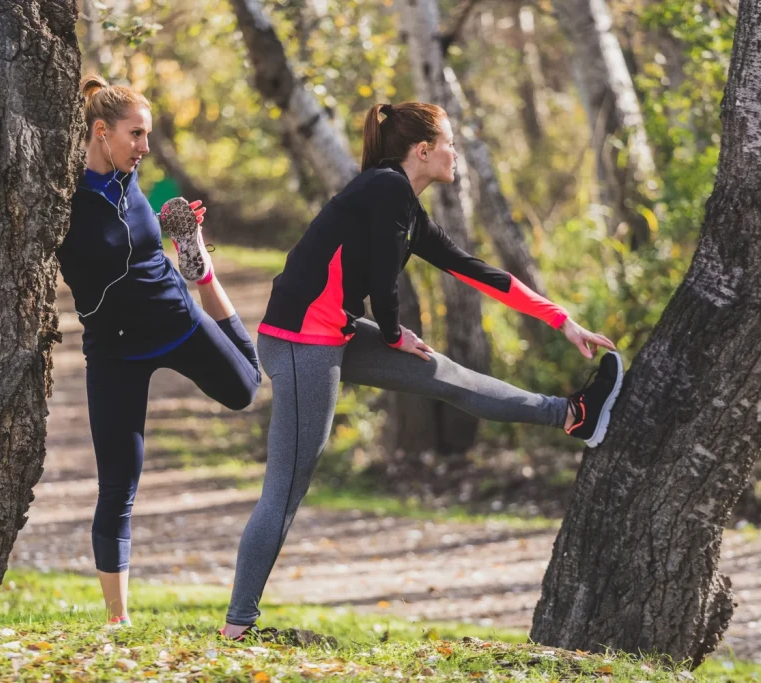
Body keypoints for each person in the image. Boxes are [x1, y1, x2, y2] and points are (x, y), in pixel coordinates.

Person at [220, 101, 623, 638]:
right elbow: (385, 283)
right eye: (451, 143)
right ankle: (238, 627)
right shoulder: (384, 189)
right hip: (299, 343)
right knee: (286, 486)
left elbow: (477, 272)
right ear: (424, 150)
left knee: (444, 375)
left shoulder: (405, 207)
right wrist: (391, 334)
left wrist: (562, 321)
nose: (456, 153)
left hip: (331, 332)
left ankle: (573, 416)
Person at [56, 75, 262, 627]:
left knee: (247, 387)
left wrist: (181, 236)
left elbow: (157, 196)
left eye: (146, 135)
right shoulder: (63, 198)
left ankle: (198, 263)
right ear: (102, 133)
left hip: (177, 320)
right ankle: (117, 619)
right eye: (136, 134)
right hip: (114, 351)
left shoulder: (132, 177)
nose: (145, 146)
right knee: (119, 481)